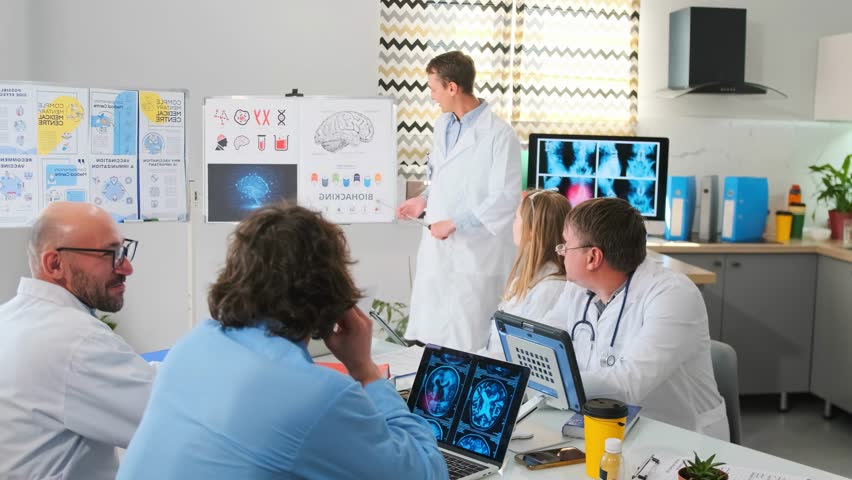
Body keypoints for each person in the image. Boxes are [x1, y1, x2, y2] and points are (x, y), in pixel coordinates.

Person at [117, 203, 448, 479]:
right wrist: (366, 372)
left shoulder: (195, 344)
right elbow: (428, 473)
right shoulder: (320, 396)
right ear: (331, 287)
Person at [544, 198, 729, 440]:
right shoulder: (578, 288)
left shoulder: (673, 294)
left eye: (566, 245)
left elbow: (628, 384)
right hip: (604, 425)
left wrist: (548, 380)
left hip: (683, 439)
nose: (561, 253)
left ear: (593, 257)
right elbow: (545, 342)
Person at [0, 202, 156, 480]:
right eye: (110, 254)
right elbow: (173, 419)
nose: (127, 267)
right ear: (55, 264)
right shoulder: (78, 341)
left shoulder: (9, 318)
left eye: (123, 250)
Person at [397, 50, 520, 352]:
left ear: (452, 87)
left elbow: (504, 196)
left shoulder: (500, 135)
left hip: (474, 251)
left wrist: (454, 223)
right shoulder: (443, 126)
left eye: (434, 89)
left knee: (468, 342)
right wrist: (423, 201)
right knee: (433, 340)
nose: (432, 96)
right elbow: (442, 177)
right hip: (439, 249)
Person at [483, 189, 571, 356]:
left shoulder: (550, 288)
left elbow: (524, 351)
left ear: (532, 230)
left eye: (517, 218)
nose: (513, 223)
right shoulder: (525, 281)